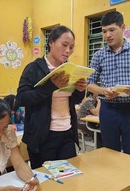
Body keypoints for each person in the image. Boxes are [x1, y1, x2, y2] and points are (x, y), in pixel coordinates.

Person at [16, 25, 87, 169]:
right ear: (51, 43)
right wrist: (50, 87)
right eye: (64, 45)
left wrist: (80, 90)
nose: (68, 51)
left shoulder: (69, 69)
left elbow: (74, 100)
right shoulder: (34, 68)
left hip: (67, 132)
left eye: (71, 47)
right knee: (46, 182)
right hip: (42, 136)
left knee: (69, 179)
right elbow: (21, 98)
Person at [87, 11, 130, 158]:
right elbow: (89, 83)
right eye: (104, 31)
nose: (107, 35)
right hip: (108, 110)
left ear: (123, 27)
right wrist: (103, 91)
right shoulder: (99, 55)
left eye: (112, 30)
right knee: (110, 153)